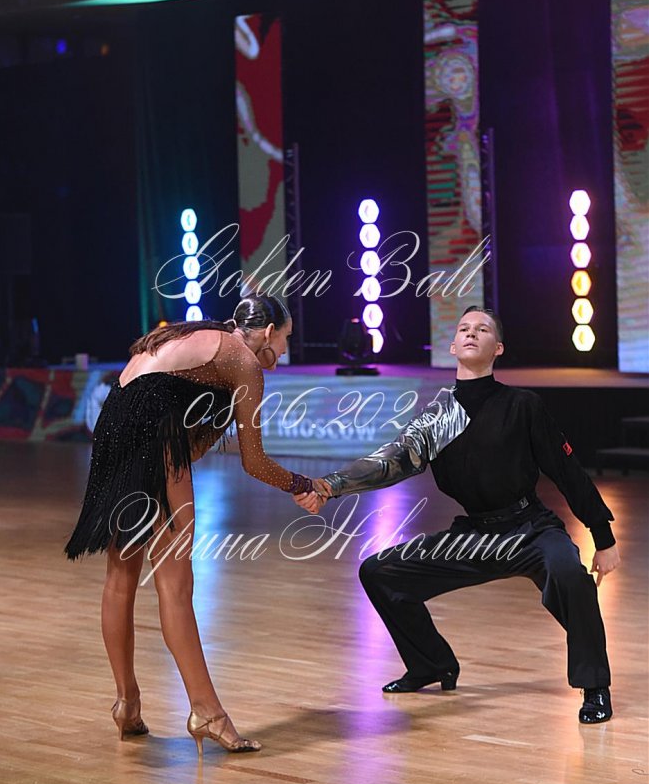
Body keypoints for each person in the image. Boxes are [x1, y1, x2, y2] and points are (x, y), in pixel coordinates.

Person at [294, 306, 620, 724]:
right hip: (475, 535)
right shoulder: (439, 417)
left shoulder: (522, 405)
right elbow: (389, 462)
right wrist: (330, 485)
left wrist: (603, 538)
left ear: (497, 348)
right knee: (379, 572)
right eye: (464, 328)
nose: (471, 333)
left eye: (482, 329)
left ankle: (594, 686)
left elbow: (567, 471)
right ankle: (432, 664)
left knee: (571, 577)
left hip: (531, 530)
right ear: (452, 347)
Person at [64, 293, 329, 755]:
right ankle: (206, 712)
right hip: (152, 432)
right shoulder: (243, 361)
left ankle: (127, 703)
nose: (284, 352)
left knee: (121, 576)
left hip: (112, 425)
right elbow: (253, 462)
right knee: (175, 585)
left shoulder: (205, 337)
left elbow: (181, 430)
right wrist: (302, 484)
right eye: (286, 340)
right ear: (268, 332)